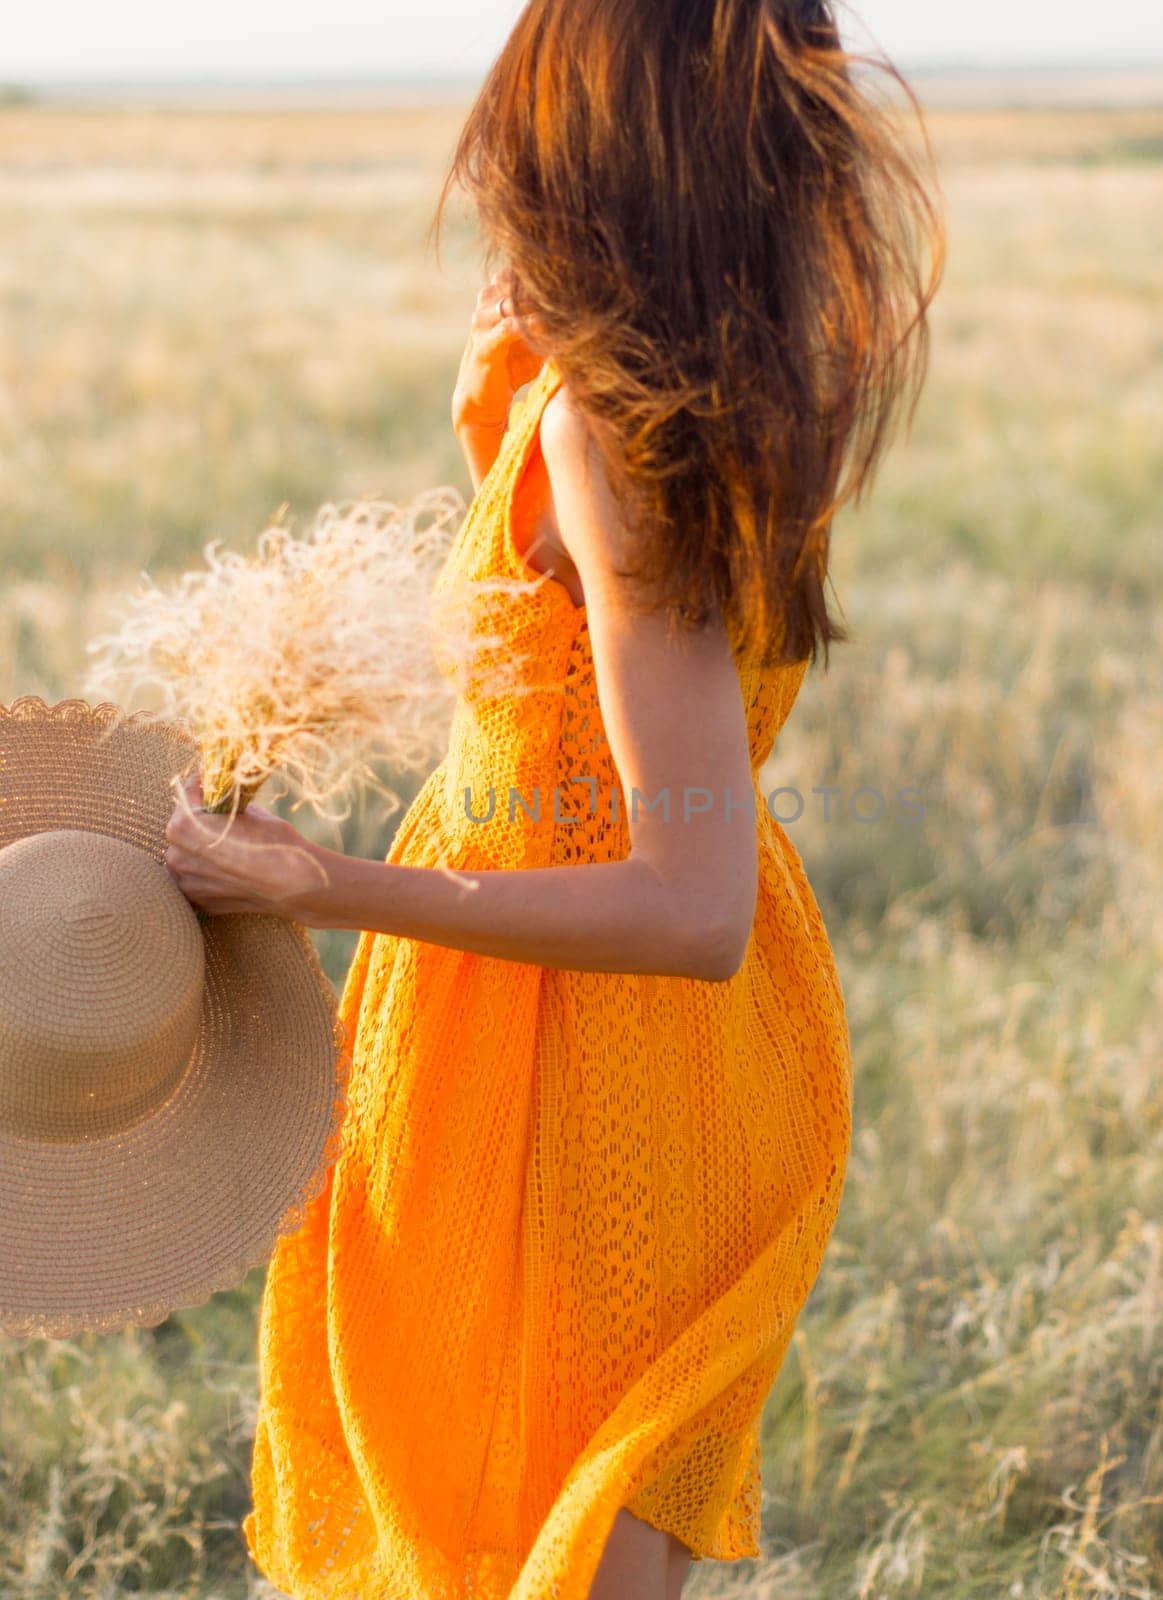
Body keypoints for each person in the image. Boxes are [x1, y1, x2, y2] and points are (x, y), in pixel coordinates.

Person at [164, 1, 942, 1594]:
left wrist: (321, 888)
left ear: (587, 144)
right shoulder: (688, 395)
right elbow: (571, 667)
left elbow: (687, 903)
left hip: (589, 1049)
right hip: (538, 1019)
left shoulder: (613, 435)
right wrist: (499, 413)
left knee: (550, 1548)